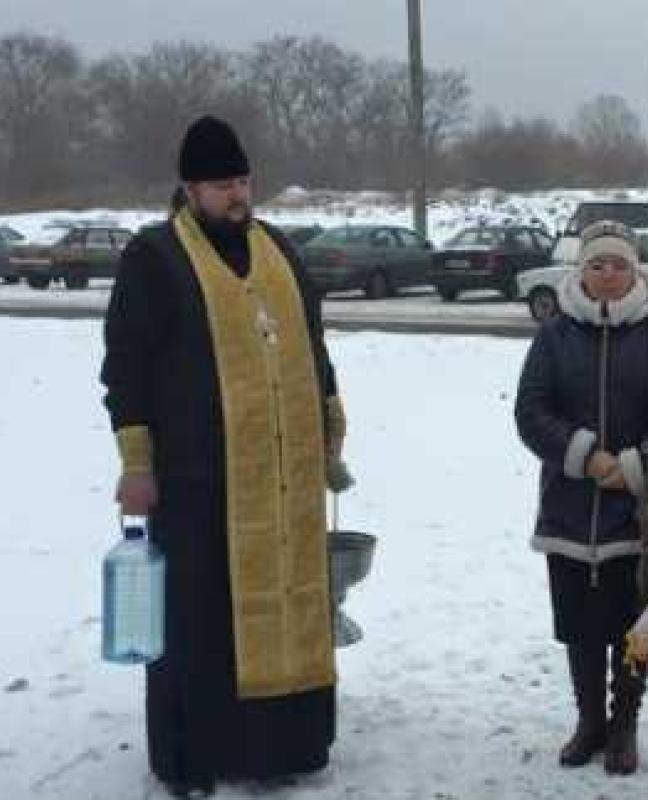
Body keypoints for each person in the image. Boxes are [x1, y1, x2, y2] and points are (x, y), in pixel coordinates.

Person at [101, 115, 351, 799]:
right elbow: (126, 371)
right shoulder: (155, 258)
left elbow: (314, 345)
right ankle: (196, 756)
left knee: (294, 605)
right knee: (200, 624)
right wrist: (136, 464)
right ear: (190, 190)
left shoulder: (277, 249)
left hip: (284, 478)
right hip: (196, 483)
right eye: (223, 184)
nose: (238, 195)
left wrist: (330, 426)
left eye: (243, 180)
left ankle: (287, 747)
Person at [514, 220, 648, 775]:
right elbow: (530, 411)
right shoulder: (554, 335)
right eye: (597, 264)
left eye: (619, 264)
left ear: (635, 270)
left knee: (631, 624)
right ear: (581, 270)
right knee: (579, 623)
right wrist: (583, 455)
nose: (608, 274)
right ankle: (589, 721)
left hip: (637, 510)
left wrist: (636, 468)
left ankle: (624, 725)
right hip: (569, 504)